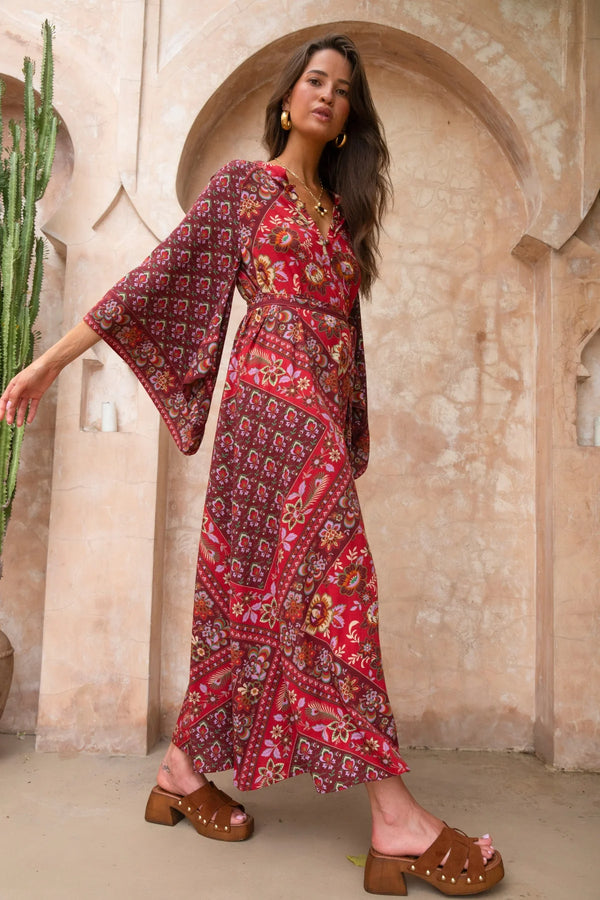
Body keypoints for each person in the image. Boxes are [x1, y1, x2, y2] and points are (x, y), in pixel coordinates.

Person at [0, 33, 504, 896]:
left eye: (343, 91)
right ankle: (394, 818)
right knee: (338, 584)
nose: (327, 96)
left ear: (349, 120)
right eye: (314, 81)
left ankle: (182, 773)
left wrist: (347, 431)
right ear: (286, 100)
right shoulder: (243, 187)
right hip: (266, 411)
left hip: (311, 417)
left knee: (258, 601)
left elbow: (346, 339)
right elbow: (158, 279)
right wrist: (50, 358)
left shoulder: (338, 217)